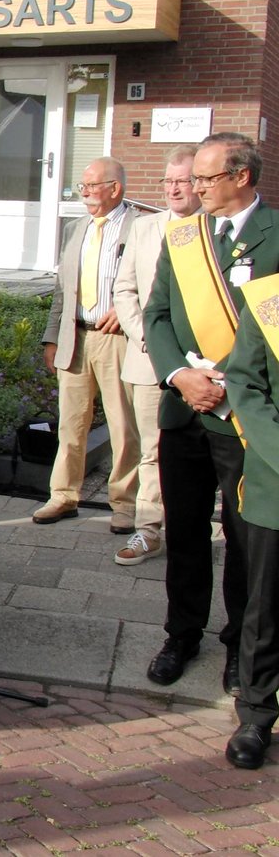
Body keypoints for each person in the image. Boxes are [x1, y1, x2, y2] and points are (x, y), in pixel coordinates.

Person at [143, 131, 279, 694]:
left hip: (244, 416)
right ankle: (183, 632)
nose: (194, 188)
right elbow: (157, 315)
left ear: (242, 176)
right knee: (187, 528)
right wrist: (182, 375)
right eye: (193, 178)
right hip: (185, 410)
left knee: (247, 539)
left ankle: (238, 647)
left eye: (205, 178)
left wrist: (224, 384)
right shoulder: (182, 237)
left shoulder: (276, 236)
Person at [33, 157, 140, 534]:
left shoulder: (139, 227)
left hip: (116, 339)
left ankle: (125, 504)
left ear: (116, 188)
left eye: (93, 186)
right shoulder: (76, 228)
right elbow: (63, 289)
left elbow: (154, 283)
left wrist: (127, 311)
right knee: (71, 424)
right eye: (82, 186)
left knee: (123, 426)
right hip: (74, 336)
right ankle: (63, 495)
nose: (86, 193)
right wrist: (51, 337)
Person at [110, 146, 201, 565]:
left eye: (183, 180)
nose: (174, 189)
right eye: (167, 181)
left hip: (206, 365)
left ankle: (192, 527)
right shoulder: (146, 228)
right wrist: (146, 334)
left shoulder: (215, 229)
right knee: (152, 449)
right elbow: (124, 289)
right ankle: (148, 531)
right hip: (149, 359)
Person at [224, 273, 279, 769]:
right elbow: (244, 381)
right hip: (277, 481)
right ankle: (257, 715)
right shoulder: (269, 300)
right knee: (264, 606)